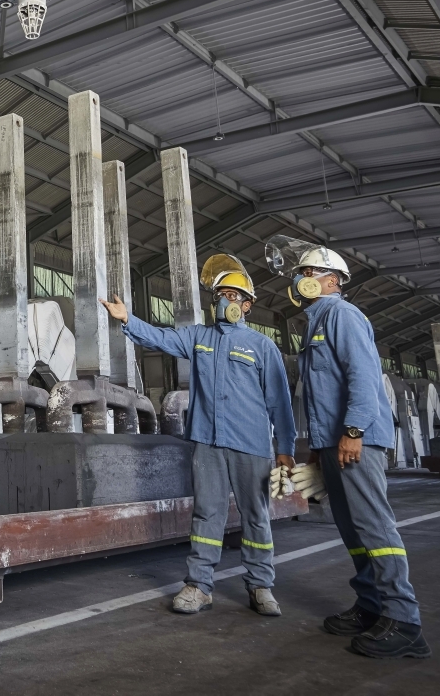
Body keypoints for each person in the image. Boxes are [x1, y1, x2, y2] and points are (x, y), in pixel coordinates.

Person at [101, 258, 295, 617]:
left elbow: (280, 402)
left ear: (247, 305)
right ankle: (199, 586)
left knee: (256, 515)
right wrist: (127, 319)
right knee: (207, 514)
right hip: (208, 442)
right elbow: (161, 337)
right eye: (220, 295)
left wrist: (286, 448)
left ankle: (260, 586)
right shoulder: (198, 337)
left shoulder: (261, 346)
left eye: (233, 295)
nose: (225, 300)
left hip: (251, 443)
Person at [289, 246, 430, 659]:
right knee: (352, 529)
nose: (300, 279)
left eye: (308, 271)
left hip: (356, 439)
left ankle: (405, 621)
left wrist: (354, 430)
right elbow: (320, 395)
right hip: (332, 443)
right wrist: (318, 450)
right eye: (300, 272)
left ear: (332, 279)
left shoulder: (343, 315)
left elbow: (363, 376)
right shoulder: (315, 322)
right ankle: (371, 606)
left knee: (374, 527)